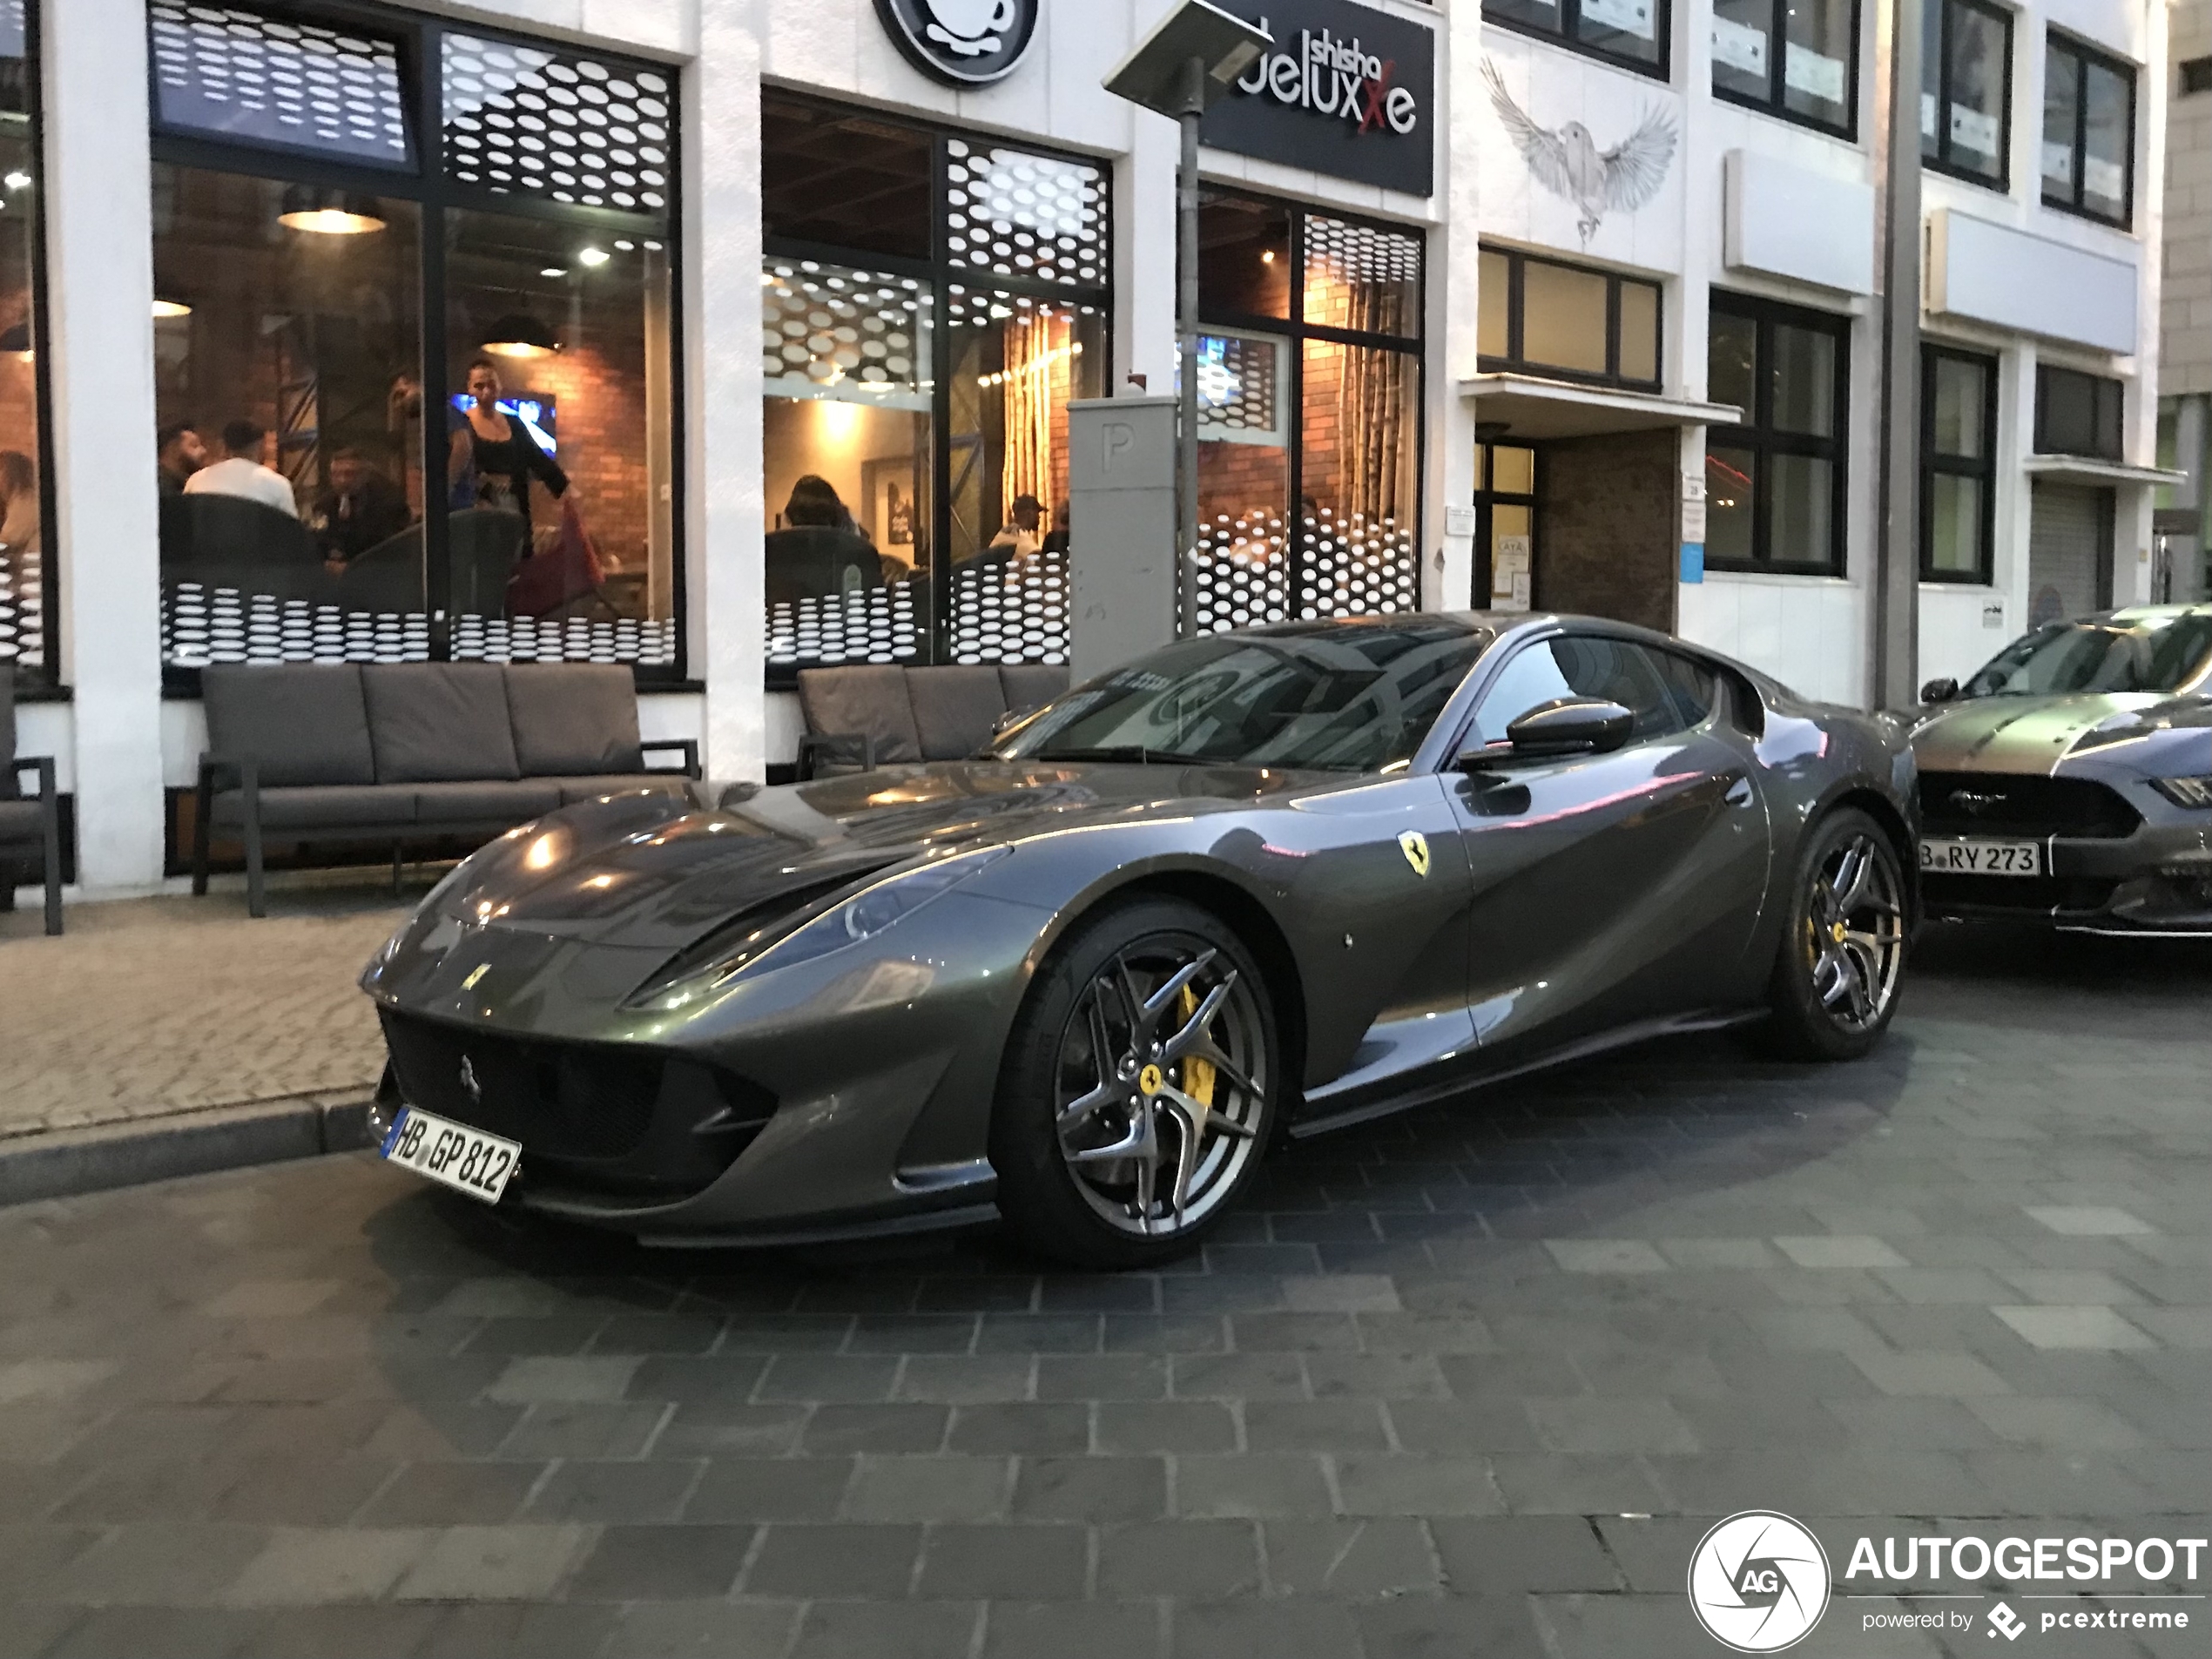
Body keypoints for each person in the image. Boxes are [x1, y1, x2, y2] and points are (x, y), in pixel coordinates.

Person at [449, 357, 570, 532]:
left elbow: (537, 458)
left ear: (499, 385)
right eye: (479, 386)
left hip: (514, 508)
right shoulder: (463, 425)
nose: (486, 391)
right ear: (469, 388)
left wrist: (566, 488)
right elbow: (456, 469)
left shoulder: (515, 424)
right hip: (479, 512)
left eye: (491, 384)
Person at [314, 446, 413, 566]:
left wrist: (350, 568)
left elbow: (390, 548)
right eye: (336, 474)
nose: (342, 480)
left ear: (364, 475)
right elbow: (316, 539)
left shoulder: (387, 503)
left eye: (349, 474)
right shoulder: (325, 504)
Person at [184, 419, 298, 517]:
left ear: (224, 446)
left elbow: (184, 524)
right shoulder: (277, 484)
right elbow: (291, 533)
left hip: (205, 543)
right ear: (261, 445)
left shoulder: (196, 480)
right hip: (256, 542)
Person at [988, 493, 1044, 561]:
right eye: (1037, 513)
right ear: (1029, 513)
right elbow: (1038, 558)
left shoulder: (1003, 533)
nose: (1039, 517)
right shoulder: (1020, 536)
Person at [157, 422, 207, 498]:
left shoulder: (186, 485)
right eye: (194, 445)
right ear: (173, 450)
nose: (203, 451)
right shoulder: (161, 487)